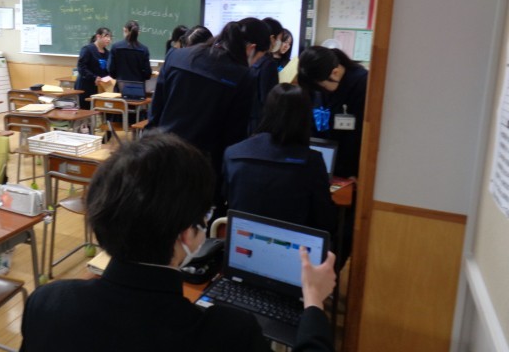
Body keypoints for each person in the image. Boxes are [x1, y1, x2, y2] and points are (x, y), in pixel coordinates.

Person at [19, 132, 336, 352]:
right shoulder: (229, 334)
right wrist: (313, 302)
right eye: (203, 217)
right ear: (186, 235)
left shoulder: (48, 303)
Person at [148, 19, 265, 177]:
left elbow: (155, 111)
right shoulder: (243, 77)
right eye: (260, 58)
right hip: (202, 167)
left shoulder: (176, 56)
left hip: (162, 154)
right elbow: (233, 136)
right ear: (251, 49)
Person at [222, 83, 338, 235]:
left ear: (267, 110)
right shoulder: (311, 162)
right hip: (291, 244)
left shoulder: (233, 153)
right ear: (305, 117)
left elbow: (226, 199)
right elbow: (325, 220)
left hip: (241, 240)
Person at [297, 46, 368, 179]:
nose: (319, 92)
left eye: (321, 87)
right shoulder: (318, 81)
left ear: (335, 73)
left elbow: (358, 137)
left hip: (349, 165)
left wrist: (350, 172)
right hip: (322, 157)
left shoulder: (362, 84)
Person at [74, 27, 112, 108]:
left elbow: (107, 70)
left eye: (110, 37)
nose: (108, 39)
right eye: (106, 36)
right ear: (98, 36)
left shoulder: (107, 53)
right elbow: (81, 67)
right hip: (86, 86)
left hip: (99, 87)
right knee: (86, 110)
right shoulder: (87, 49)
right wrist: (94, 77)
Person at [108, 19, 152, 83]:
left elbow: (110, 69)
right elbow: (148, 73)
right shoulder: (144, 49)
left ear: (125, 30)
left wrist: (118, 76)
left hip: (120, 84)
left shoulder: (116, 47)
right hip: (138, 86)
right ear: (138, 32)